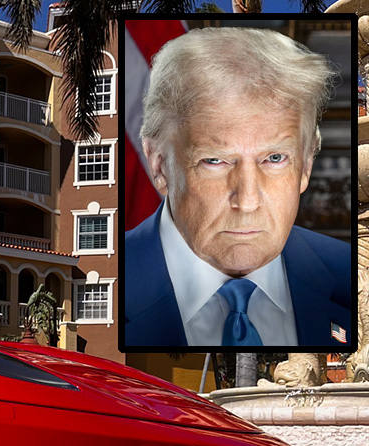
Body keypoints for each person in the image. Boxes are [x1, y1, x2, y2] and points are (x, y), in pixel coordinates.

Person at [124, 26, 354, 348]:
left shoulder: (352, 275)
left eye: (274, 158)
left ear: (306, 166)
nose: (247, 200)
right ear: (159, 166)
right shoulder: (114, 280)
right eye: (215, 161)